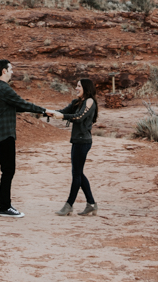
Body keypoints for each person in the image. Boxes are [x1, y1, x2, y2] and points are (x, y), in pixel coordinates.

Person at [0, 58, 62, 217]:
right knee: (8, 171)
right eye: (11, 69)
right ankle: (5, 207)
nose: (12, 72)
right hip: (5, 135)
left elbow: (13, 106)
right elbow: (22, 103)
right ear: (4, 71)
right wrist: (44, 110)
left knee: (6, 171)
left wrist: (39, 111)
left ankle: (4, 205)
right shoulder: (4, 89)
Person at [54, 78, 99, 216]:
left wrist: (62, 117)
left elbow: (78, 117)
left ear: (86, 87)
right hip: (76, 141)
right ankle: (91, 204)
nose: (76, 88)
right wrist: (46, 111)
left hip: (84, 142)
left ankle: (69, 205)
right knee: (78, 173)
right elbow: (63, 111)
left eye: (79, 86)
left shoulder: (89, 101)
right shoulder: (77, 102)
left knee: (77, 174)